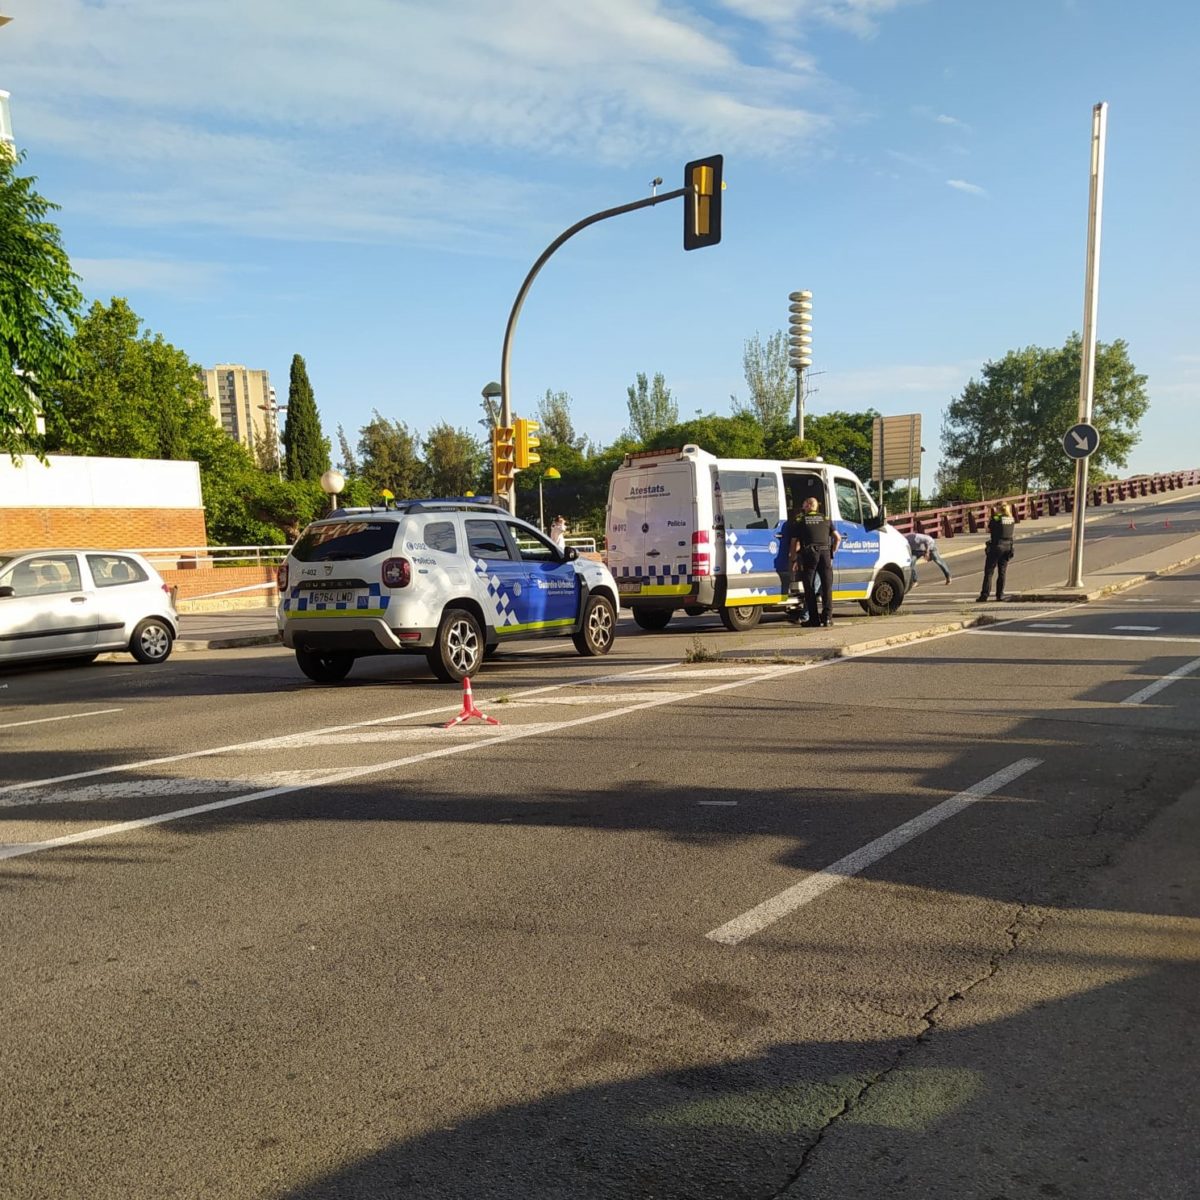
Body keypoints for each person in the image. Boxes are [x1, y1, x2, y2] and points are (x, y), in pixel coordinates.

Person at [789, 495, 841, 627]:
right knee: (827, 587)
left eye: (805, 504)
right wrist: (832, 551)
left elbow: (794, 541)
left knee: (809, 587)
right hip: (825, 554)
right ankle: (828, 618)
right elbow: (838, 538)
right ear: (816, 507)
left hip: (810, 554)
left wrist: (794, 558)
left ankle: (814, 619)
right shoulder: (825, 518)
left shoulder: (801, 520)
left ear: (807, 506)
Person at [978, 501, 1016, 601]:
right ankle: (1000, 595)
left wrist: (994, 516)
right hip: (1008, 546)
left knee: (989, 572)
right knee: (1002, 572)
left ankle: (984, 595)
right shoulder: (1011, 519)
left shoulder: (996, 518)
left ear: (998, 509)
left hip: (997, 546)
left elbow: (988, 529)